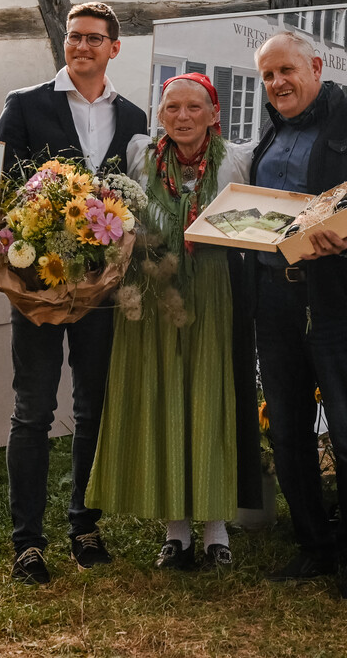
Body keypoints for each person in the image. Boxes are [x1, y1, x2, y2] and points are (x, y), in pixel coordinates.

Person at [0, 1, 148, 584]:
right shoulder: (26, 104)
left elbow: (136, 198)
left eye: (94, 39)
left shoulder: (134, 117)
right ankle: (28, 543)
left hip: (102, 291)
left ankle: (85, 526)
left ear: (114, 48)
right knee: (32, 412)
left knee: (92, 410)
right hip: (36, 286)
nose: (82, 47)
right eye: (74, 37)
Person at [251, 32, 347, 603]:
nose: (277, 84)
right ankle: (314, 544)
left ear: (316, 66)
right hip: (277, 298)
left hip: (336, 299)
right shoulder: (269, 131)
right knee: (287, 428)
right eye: (267, 76)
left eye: (285, 71)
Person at [85, 73, 255, 569]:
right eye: (172, 108)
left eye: (194, 108)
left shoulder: (238, 160)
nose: (182, 117)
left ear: (214, 114)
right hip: (151, 293)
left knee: (209, 396)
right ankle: (175, 530)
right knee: (160, 396)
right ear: (161, 115)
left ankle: (216, 531)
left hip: (213, 290)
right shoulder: (139, 154)